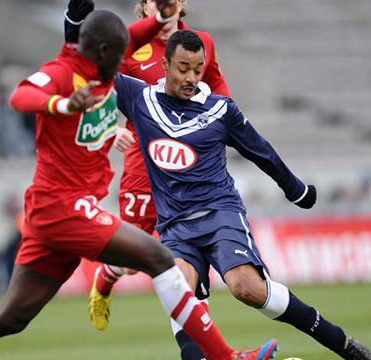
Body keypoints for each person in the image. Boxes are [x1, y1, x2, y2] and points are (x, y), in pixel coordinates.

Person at [0, 7, 278, 360]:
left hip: (53, 212)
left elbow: (136, 34)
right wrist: (64, 104)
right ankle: (227, 359)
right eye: (122, 53)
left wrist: (161, 17)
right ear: (104, 51)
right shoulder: (63, 73)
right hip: (64, 206)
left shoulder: (104, 64)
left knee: (10, 316)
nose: (127, 60)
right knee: (158, 258)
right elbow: (21, 96)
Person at [113, 29, 371, 360]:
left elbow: (261, 150)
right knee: (177, 293)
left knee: (247, 288)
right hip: (175, 226)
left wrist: (296, 189)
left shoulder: (220, 110)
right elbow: (90, 71)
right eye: (183, 68)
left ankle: (341, 343)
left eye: (198, 69)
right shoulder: (140, 98)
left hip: (220, 214)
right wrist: (74, 23)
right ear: (164, 64)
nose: (191, 77)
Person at [65, 1, 229, 357]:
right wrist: (111, 132)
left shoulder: (201, 42)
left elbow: (218, 88)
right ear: (143, 6)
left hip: (190, 166)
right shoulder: (127, 44)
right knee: (136, 254)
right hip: (144, 164)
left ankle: (199, 349)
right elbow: (99, 91)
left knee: (183, 261)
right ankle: (108, 274)